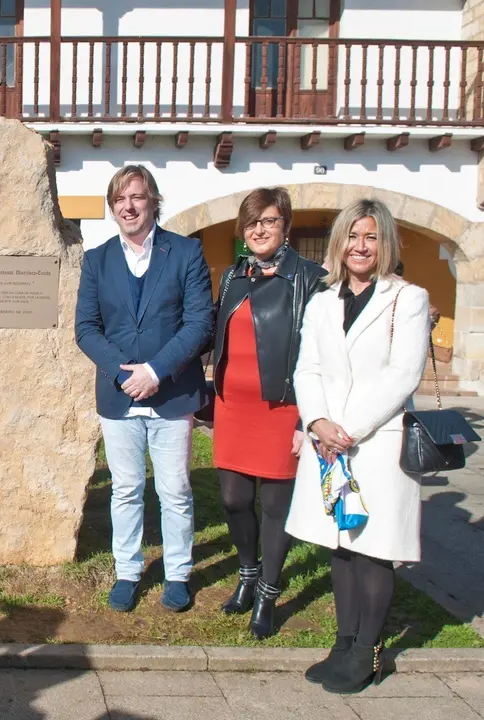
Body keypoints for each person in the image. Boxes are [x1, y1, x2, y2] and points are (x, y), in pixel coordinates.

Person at [286, 199, 430, 694]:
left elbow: (404, 374)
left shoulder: (407, 299)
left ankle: (369, 650)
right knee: (341, 547)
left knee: (373, 550)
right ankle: (343, 643)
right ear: (339, 243)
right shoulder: (323, 301)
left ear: (384, 242)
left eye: (370, 236)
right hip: (329, 443)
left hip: (376, 443)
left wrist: (346, 428)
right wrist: (317, 420)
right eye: (352, 236)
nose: (360, 246)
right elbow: (307, 368)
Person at [75, 165, 214, 613]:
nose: (128, 206)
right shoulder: (97, 260)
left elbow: (199, 323)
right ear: (112, 208)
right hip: (119, 397)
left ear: (153, 200)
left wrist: (155, 371)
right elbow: (86, 329)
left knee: (175, 491)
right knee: (126, 489)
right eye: (119, 199)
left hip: (172, 394)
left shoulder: (187, 252)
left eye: (136, 196)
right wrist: (124, 374)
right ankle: (128, 571)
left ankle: (178, 573)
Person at [209, 188, 326, 639]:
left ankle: (268, 594)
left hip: (283, 408)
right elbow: (213, 333)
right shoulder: (233, 276)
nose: (259, 230)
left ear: (286, 226)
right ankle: (247, 573)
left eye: (269, 221)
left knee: (276, 507)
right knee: (233, 499)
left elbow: (323, 355)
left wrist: (306, 420)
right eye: (252, 222)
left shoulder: (311, 279)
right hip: (233, 407)